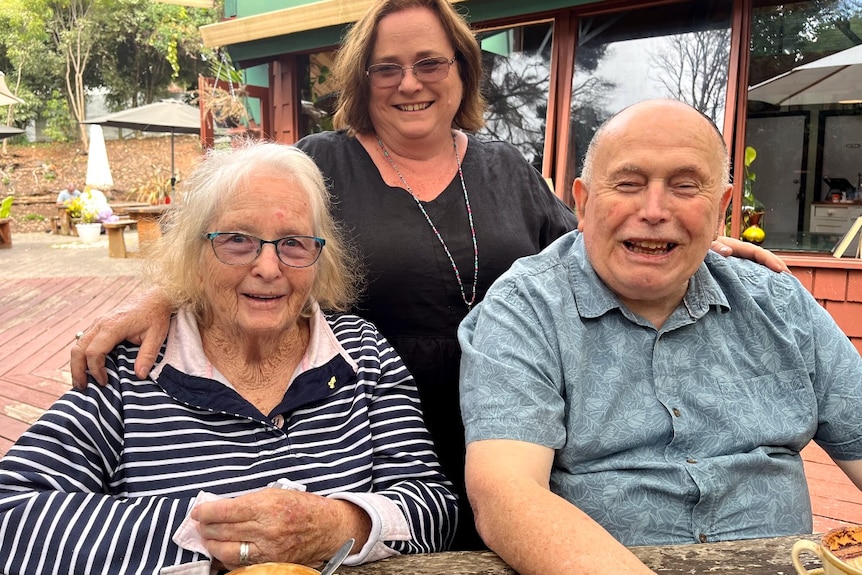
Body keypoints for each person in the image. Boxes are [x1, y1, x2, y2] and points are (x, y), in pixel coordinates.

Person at [68, 0, 787, 551]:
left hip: (524, 436)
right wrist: (164, 293)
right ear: (363, 79)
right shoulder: (324, 160)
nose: (409, 83)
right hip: (382, 436)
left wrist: (702, 241)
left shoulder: (502, 165)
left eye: (429, 63)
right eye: (387, 67)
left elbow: (598, 243)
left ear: (461, 71)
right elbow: (242, 228)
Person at [0, 141, 457, 575]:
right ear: (195, 253)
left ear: (321, 258)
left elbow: (436, 508)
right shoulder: (131, 366)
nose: (268, 267)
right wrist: (214, 533)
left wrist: (340, 525)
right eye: (238, 240)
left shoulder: (361, 352)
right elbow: (10, 512)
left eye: (294, 243)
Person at [457, 99, 862, 575]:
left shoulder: (775, 300)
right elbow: (506, 495)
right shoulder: (526, 309)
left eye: (685, 187)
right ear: (583, 203)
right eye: (628, 184)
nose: (654, 210)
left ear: (721, 210)